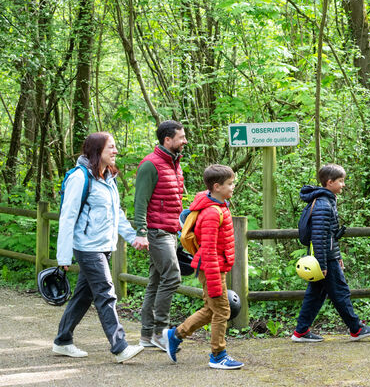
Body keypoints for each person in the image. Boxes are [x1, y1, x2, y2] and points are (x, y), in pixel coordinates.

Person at [53, 132, 148, 363]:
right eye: (111, 147)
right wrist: (63, 255)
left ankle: (62, 341)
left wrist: (132, 236)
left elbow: (116, 215)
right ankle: (120, 346)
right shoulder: (80, 177)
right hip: (87, 247)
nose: (115, 151)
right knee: (106, 293)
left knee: (84, 296)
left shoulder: (108, 178)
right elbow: (67, 217)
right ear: (97, 151)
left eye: (115, 147)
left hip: (103, 245)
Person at [163, 164, 244, 369]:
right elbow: (208, 250)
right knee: (223, 311)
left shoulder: (219, 205)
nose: (233, 187)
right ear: (217, 187)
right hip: (211, 268)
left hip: (215, 267)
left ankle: (175, 335)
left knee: (211, 309)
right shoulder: (211, 213)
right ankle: (218, 355)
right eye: (229, 184)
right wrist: (215, 282)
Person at [291, 164, 370, 342]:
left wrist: (337, 257)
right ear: (329, 182)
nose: (343, 185)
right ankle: (356, 329)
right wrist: (323, 264)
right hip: (324, 258)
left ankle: (300, 331)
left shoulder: (325, 200)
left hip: (327, 256)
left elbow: (329, 235)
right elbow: (319, 237)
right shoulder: (323, 204)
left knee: (316, 294)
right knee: (340, 292)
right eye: (340, 181)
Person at [134, 120, 187, 350]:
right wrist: (141, 233)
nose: (184, 141)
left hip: (171, 231)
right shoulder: (150, 165)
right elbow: (140, 202)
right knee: (173, 276)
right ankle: (160, 332)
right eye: (181, 137)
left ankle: (147, 335)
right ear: (168, 140)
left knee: (155, 283)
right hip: (156, 232)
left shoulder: (175, 164)